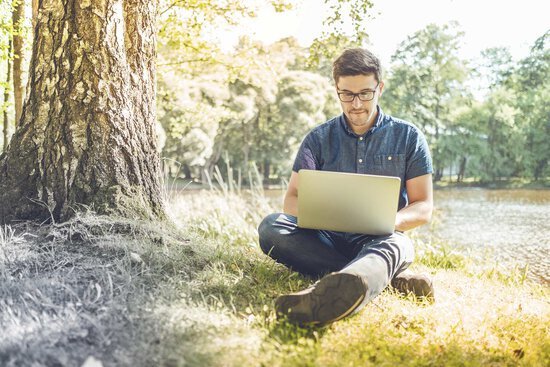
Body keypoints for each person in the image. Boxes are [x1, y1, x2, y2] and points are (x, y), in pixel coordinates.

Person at [257, 48, 435, 326]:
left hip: (381, 238)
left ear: (380, 88)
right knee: (271, 227)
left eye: (365, 93)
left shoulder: (409, 137)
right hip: (327, 238)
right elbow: (291, 200)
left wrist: (392, 221)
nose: (356, 104)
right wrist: (325, 215)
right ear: (337, 90)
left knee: (398, 244)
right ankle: (385, 278)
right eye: (347, 94)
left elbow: (423, 206)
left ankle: (352, 280)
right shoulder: (317, 139)